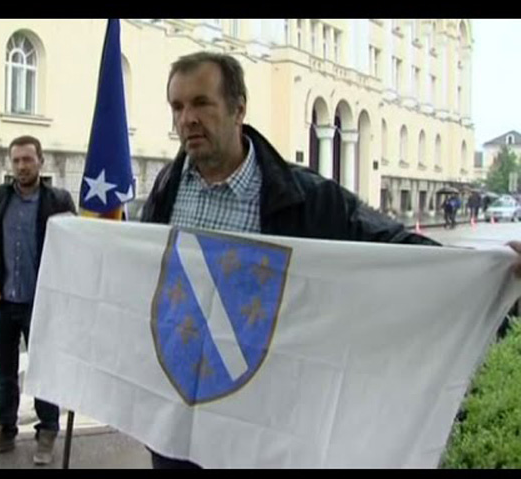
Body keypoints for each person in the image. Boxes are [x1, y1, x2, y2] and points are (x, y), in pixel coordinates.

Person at [140, 51, 521, 469]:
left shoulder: (307, 197)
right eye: (177, 107)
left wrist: (488, 271)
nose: (186, 119)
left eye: (201, 103)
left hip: (262, 424)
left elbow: (389, 247)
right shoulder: (166, 188)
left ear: (238, 109)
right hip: (178, 425)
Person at [0, 135, 76, 465]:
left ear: (40, 161)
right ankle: (4, 430)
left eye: (27, 160)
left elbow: (74, 247)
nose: (21, 166)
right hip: (2, 303)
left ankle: (47, 432)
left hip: (41, 304)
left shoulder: (58, 200)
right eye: (16, 160)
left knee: (44, 371)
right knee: (4, 374)